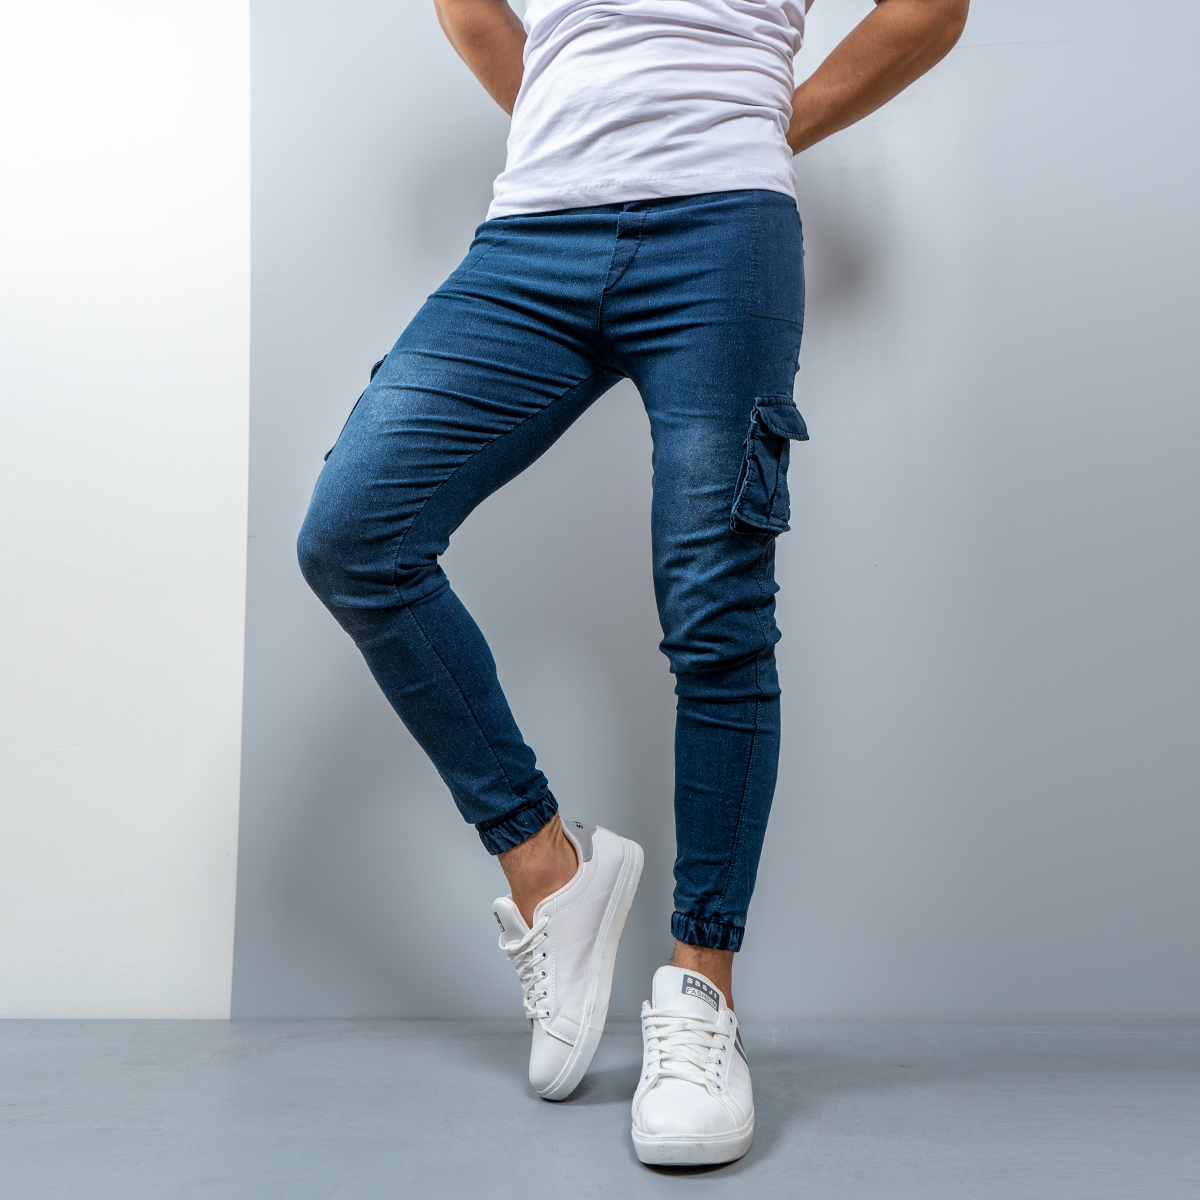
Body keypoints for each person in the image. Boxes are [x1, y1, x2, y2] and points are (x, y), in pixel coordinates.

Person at [298, 0, 967, 1166]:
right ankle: (549, 867)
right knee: (355, 533)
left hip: (725, 229)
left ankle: (700, 993)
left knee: (716, 613)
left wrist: (763, 122)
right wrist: (578, 120)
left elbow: (929, 10)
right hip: (534, 234)